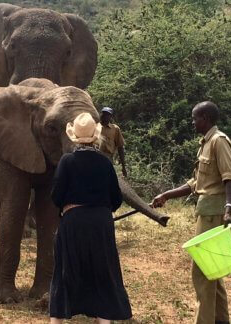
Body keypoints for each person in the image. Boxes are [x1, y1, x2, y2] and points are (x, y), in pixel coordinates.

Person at [151, 101, 231, 324]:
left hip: (213, 211)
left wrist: (229, 208)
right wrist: (166, 195)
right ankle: (220, 320)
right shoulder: (205, 144)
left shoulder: (219, 142)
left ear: (206, 118)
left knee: (202, 271)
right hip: (205, 209)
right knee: (212, 271)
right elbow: (196, 183)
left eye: (195, 118)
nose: (192, 122)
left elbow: (229, 178)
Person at [49, 112, 132, 324]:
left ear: (73, 136)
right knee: (103, 271)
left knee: (65, 271)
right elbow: (116, 198)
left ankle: (56, 320)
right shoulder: (105, 163)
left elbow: (56, 196)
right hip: (101, 222)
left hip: (73, 221)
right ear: (94, 137)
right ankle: (104, 321)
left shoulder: (67, 161)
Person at [96, 107, 128, 177]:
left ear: (111, 117)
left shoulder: (115, 129)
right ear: (101, 114)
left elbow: (120, 147)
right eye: (104, 114)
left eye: (108, 114)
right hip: (95, 158)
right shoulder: (95, 127)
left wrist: (123, 166)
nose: (105, 116)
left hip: (108, 159)